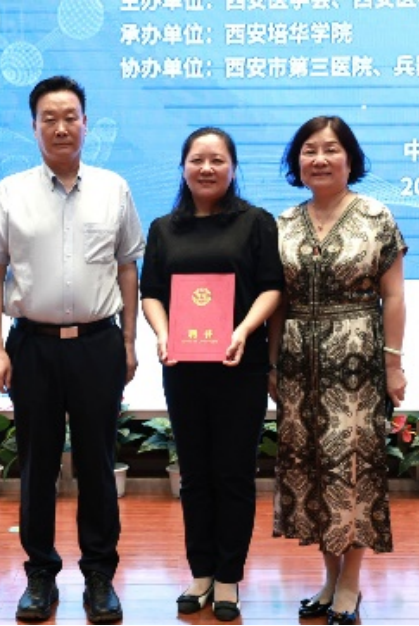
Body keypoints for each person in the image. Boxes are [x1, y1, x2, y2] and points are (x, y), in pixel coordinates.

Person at [0, 75, 145, 625]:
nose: (61, 127)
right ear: (34, 127)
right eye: (50, 118)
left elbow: (127, 268)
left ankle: (99, 576)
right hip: (33, 348)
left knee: (98, 464)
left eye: (71, 117)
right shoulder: (10, 192)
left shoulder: (114, 189)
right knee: (37, 464)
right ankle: (40, 575)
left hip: (98, 344)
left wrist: (129, 342)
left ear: (86, 124)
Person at [267, 115, 407, 626]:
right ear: (297, 162)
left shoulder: (375, 217)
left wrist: (393, 364)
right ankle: (328, 581)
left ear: (350, 159)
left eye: (330, 149)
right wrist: (272, 364)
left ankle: (351, 584)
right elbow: (278, 302)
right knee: (311, 474)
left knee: (351, 472)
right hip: (298, 364)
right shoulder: (283, 223)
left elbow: (394, 296)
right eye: (309, 150)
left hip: (356, 364)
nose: (319, 159)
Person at [139, 126, 284, 622]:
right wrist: (163, 334)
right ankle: (200, 572)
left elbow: (272, 287)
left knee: (234, 474)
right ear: (183, 167)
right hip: (183, 367)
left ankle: (228, 577)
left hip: (240, 366)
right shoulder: (164, 229)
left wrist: (243, 330)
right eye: (197, 159)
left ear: (233, 168)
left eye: (217, 160)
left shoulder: (256, 223)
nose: (206, 168)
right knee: (195, 474)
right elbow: (151, 293)